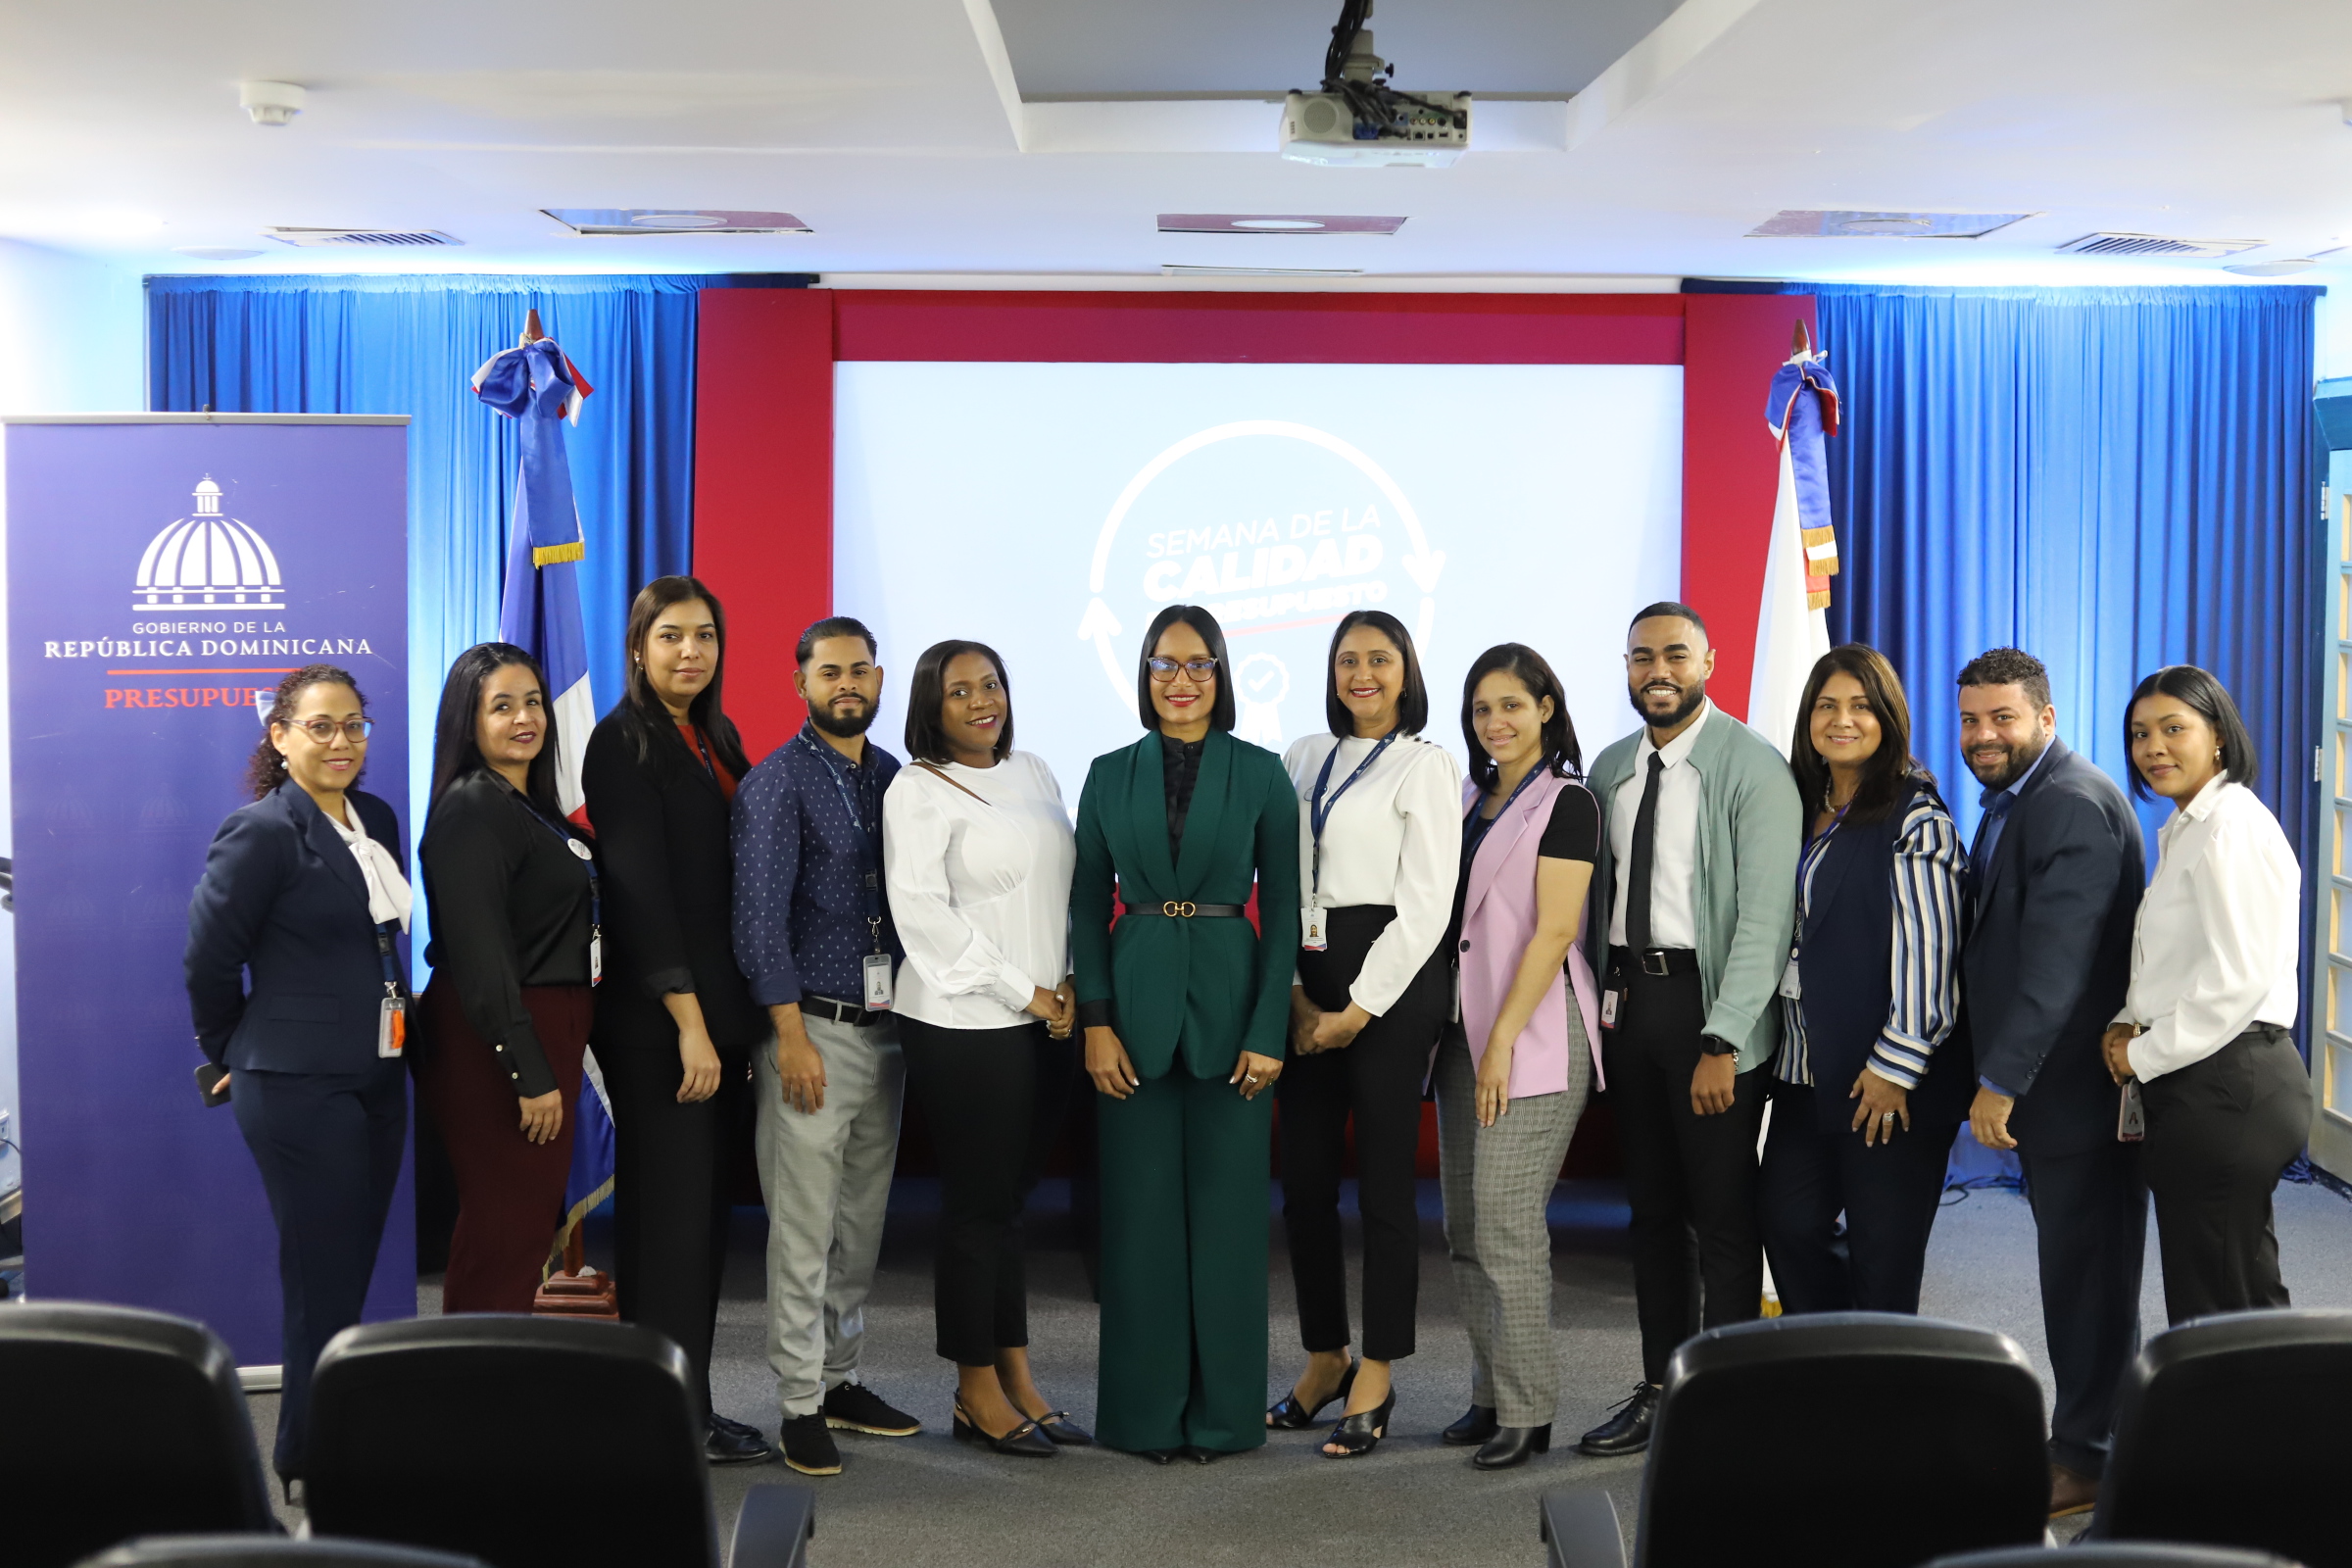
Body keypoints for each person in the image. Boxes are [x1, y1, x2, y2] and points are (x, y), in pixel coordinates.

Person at [1071, 604, 1300, 1462]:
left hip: (1233, 1012)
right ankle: (1144, 1417)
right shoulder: (1106, 774)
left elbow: (1283, 912)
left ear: (1221, 673)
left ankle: (1223, 1418)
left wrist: (1269, 1030)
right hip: (1131, 1014)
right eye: (1164, 664)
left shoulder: (1262, 773)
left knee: (1231, 1226)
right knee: (1139, 1225)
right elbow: (1086, 906)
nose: (1181, 680)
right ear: (1144, 674)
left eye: (1198, 664)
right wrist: (1096, 1023)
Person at [1577, 602, 1799, 1457]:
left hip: (1710, 1012)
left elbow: (1766, 919)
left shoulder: (1752, 767)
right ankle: (1663, 1387)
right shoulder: (1611, 768)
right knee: (1652, 1214)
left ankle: (1728, 1402)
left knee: (1724, 1218)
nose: (1657, 670)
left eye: (1675, 654)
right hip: (1630, 1007)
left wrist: (1725, 1040)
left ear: (1709, 662)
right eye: (1641, 657)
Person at [185, 664, 411, 1491]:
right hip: (293, 1082)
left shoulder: (375, 818)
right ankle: (310, 1460)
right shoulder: (261, 832)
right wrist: (228, 1052)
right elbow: (209, 960)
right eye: (320, 726)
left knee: (348, 1268)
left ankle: (332, 1435)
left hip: (377, 1074)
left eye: (354, 725)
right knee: (321, 1277)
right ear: (279, 736)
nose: (341, 741)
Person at [583, 576, 772, 1465]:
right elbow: (641, 894)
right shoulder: (622, 742)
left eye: (704, 635)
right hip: (661, 1028)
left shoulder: (713, 736)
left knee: (700, 1229)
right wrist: (690, 1023)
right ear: (637, 648)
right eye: (670, 636)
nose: (690, 651)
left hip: (720, 1022)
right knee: (667, 1229)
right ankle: (658, 1419)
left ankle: (688, 1406)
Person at [1955, 646, 2145, 1519]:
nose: (1983, 735)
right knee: (2079, 1274)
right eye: (1971, 719)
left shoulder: (2067, 802)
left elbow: (2055, 967)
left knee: (2088, 1280)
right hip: (2061, 1092)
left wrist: (2001, 1080)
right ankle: (2091, 1441)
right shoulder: (2023, 798)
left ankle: (2091, 1458)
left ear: (2047, 718)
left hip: (2074, 1091)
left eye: (2003, 717)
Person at [884, 640, 1083, 1459]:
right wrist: (1025, 991)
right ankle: (973, 1389)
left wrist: (1066, 980)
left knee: (1010, 1204)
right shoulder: (917, 788)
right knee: (976, 1208)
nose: (981, 701)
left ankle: (1018, 1377)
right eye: (960, 690)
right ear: (931, 707)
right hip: (964, 1020)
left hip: (1048, 1016)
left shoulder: (1034, 770)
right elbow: (924, 917)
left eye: (991, 684)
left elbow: (1061, 893)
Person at [732, 615, 920, 1477]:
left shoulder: (894, 777)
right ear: (801, 684)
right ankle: (799, 1402)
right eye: (830, 671)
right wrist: (789, 1036)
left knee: (861, 1225)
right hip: (811, 1034)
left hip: (889, 1031)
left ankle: (840, 1379)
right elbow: (757, 924)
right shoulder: (776, 783)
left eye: (861, 670)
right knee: (804, 1231)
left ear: (878, 680)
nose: (847, 684)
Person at [1271, 610, 1460, 1459]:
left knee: (1384, 1189)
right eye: (1347, 659)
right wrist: (1295, 995)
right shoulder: (1302, 756)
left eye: (1379, 659)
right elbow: (1278, 878)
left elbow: (1426, 905)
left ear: (1405, 671)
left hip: (1389, 979)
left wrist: (1356, 1009)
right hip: (1306, 973)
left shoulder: (1426, 764)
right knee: (1305, 1185)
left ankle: (1378, 1368)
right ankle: (1326, 1357)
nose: (1362, 674)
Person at [1758, 645, 1969, 1316]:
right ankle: (1829, 1361)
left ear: (1888, 718)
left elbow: (1930, 957)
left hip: (1885, 1079)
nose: (1841, 720)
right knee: (1788, 1226)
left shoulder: (1917, 819)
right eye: (1827, 706)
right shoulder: (1795, 805)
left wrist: (1895, 1067)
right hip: (1802, 1072)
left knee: (1885, 1256)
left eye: (1860, 706)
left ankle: (1881, 1375)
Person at [1433, 644, 1602, 1470]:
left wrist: (1499, 1039)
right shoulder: (1468, 799)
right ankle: (1490, 1394)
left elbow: (1557, 930)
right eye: (1481, 709)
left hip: (1530, 1032)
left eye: (1510, 705)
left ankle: (1529, 1412)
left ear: (1545, 708)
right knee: (1465, 1227)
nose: (1494, 722)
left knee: (1505, 1221)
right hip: (1459, 1036)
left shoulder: (1568, 802)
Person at [2104, 665, 2302, 1324]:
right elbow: (2180, 962)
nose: (2153, 747)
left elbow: (2237, 978)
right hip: (2204, 1077)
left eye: (2173, 729)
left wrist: (2141, 1055)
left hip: (2229, 1079)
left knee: (2224, 1307)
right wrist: (2129, 1020)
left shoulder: (2230, 826)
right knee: (2220, 1293)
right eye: (2140, 734)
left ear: (2218, 735)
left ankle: (2275, 1399)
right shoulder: (2191, 825)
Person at [413, 644, 597, 1313]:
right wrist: (529, 1071)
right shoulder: (471, 808)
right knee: (503, 1226)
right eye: (502, 706)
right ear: (468, 721)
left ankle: (498, 1366)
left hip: (547, 1023)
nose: (525, 718)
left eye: (533, 702)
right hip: (497, 1038)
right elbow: (480, 958)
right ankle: (471, 1373)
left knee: (522, 1224)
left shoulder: (526, 803)